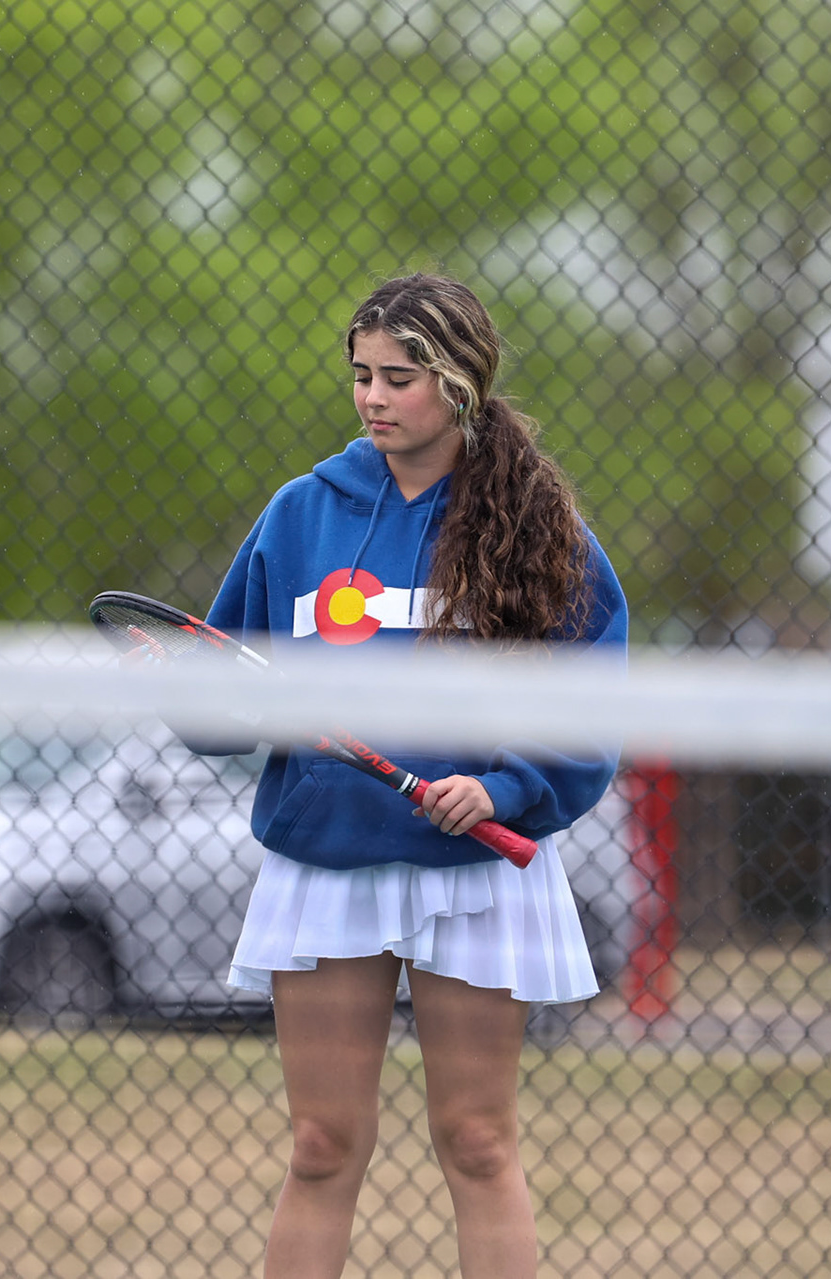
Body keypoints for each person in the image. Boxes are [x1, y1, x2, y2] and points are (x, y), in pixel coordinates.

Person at [198, 273, 628, 1279]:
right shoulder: (301, 514)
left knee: (477, 1144)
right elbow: (225, 682)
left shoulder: (541, 525)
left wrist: (508, 787)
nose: (374, 397)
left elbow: (591, 703)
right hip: (327, 866)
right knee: (320, 1146)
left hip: (474, 869)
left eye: (401, 376)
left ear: (463, 383)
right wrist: (219, 706)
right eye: (361, 375)